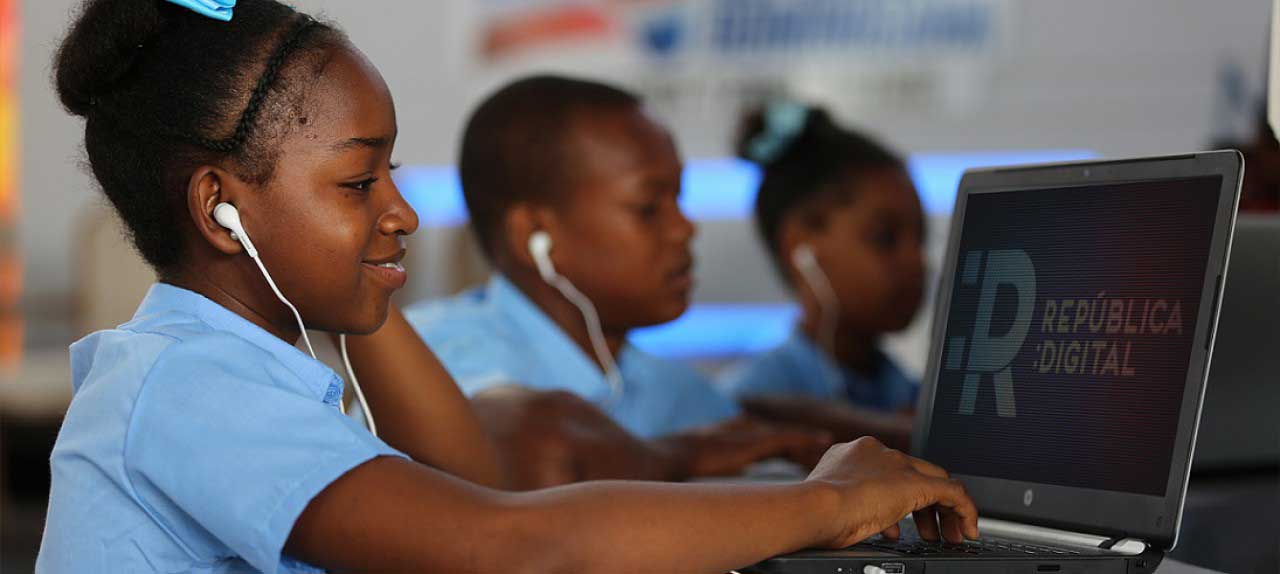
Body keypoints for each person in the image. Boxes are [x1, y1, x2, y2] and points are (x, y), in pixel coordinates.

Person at [37, 2, 978, 571]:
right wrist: (826, 504)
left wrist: (354, 275)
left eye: (393, 174)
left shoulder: (258, 369)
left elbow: (475, 482)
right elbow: (512, 546)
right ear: (222, 211)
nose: (404, 211)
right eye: (360, 182)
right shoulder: (185, 386)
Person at [391, 76, 829, 487]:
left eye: (679, 198)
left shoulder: (675, 391)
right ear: (535, 235)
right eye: (648, 207)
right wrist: (677, 457)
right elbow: (525, 452)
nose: (684, 228)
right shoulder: (435, 353)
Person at [722, 102, 926, 450]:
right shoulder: (742, 407)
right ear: (801, 247)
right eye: (885, 238)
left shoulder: (915, 395)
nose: (916, 260)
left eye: (920, 238)